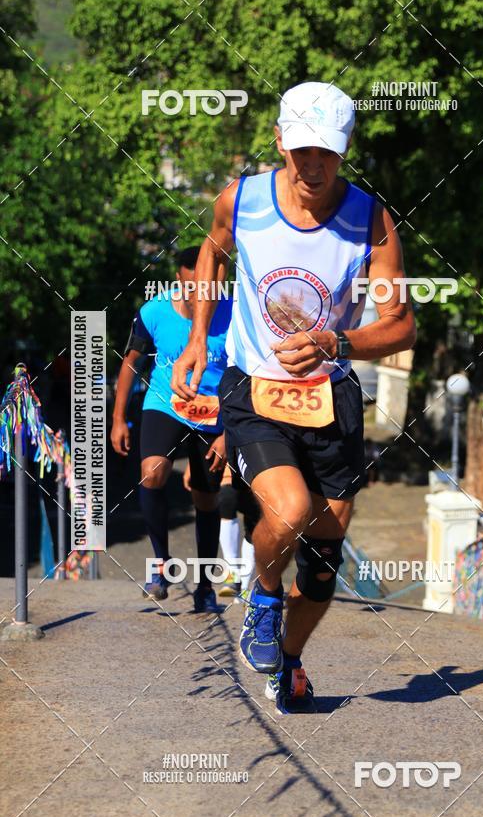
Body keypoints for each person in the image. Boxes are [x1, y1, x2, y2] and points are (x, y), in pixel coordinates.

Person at [172, 82, 416, 712]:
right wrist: (200, 337)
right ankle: (262, 595)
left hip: (330, 398)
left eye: (328, 153)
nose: (313, 165)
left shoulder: (370, 219)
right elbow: (212, 251)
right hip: (254, 386)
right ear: (280, 140)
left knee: (326, 557)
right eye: (302, 149)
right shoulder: (244, 199)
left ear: (345, 150)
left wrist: (336, 343)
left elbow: (401, 326)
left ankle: (289, 658)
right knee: (289, 509)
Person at [111, 246, 232, 613]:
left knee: (206, 498)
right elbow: (131, 364)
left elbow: (249, 375)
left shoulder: (234, 314)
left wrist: (230, 433)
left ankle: (206, 585)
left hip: (214, 411)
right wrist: (118, 418)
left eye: (207, 285)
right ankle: (161, 567)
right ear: (180, 277)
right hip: (166, 403)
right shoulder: (154, 311)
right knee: (152, 473)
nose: (200, 292)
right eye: (194, 283)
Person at [183, 460, 260, 597]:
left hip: (260, 462)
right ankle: (232, 573)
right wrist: (192, 464)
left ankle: (246, 583)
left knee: (255, 517)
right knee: (226, 499)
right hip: (228, 459)